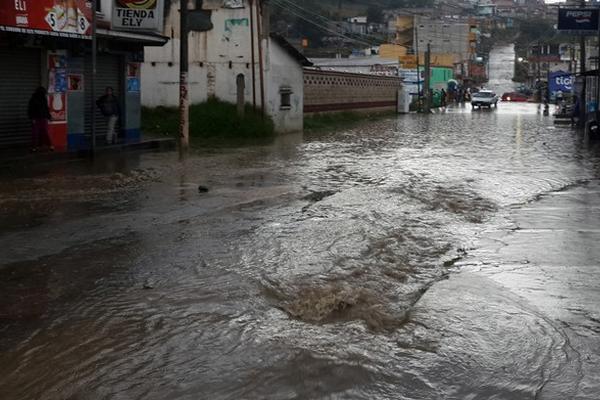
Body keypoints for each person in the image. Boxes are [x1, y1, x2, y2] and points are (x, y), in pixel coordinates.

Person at [27, 87, 52, 152]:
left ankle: (45, 145)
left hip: (42, 118)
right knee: (36, 133)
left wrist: (49, 117)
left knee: (42, 132)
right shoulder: (34, 99)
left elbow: (46, 108)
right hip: (37, 118)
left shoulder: (43, 99)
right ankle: (35, 147)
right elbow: (31, 109)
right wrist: (32, 118)